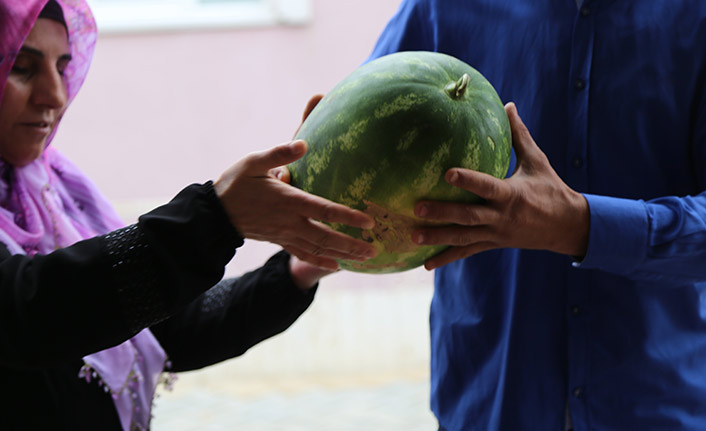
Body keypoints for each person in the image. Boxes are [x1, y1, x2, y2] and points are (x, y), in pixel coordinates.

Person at [0, 0, 377, 430]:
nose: (56, 93)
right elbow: (25, 311)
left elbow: (167, 328)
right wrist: (214, 217)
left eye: (63, 66)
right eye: (22, 67)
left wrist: (295, 271)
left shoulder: (58, 193)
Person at [365, 1, 706, 430]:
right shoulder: (439, 7)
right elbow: (362, 138)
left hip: (659, 406)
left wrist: (580, 225)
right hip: (488, 403)